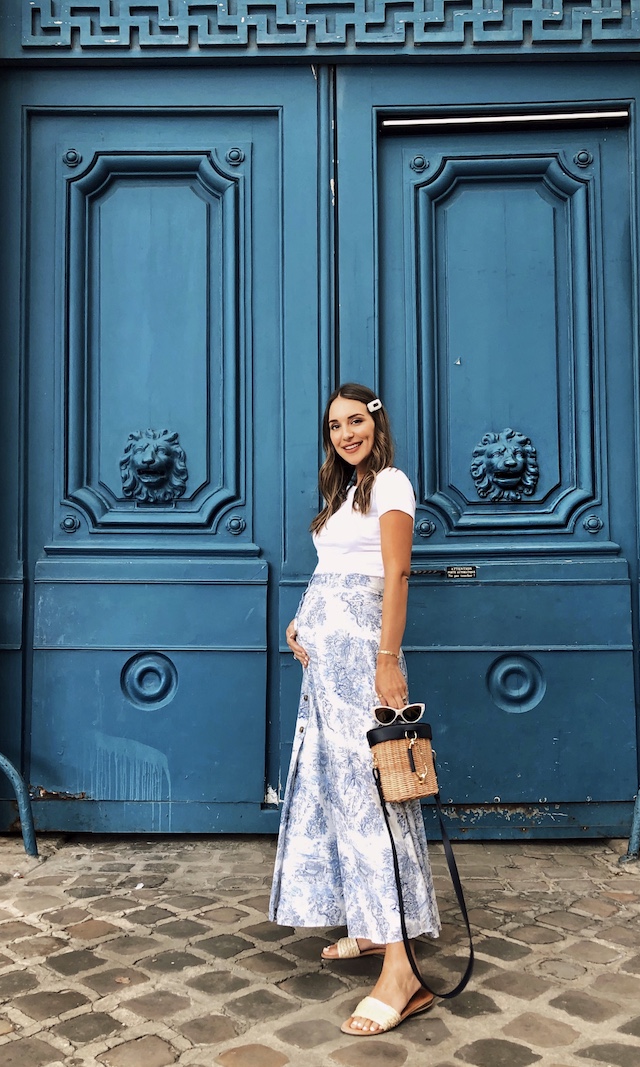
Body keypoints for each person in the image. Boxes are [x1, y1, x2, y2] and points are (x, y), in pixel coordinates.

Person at [269, 382, 440, 1036]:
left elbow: (394, 574)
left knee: (376, 805)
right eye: (335, 425)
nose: (346, 433)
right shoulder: (345, 493)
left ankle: (402, 971)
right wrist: (301, 623)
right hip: (327, 671)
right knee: (342, 798)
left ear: (377, 423)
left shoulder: (391, 483)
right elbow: (335, 575)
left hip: (365, 666)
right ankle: (374, 930)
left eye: (355, 421)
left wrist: (388, 659)